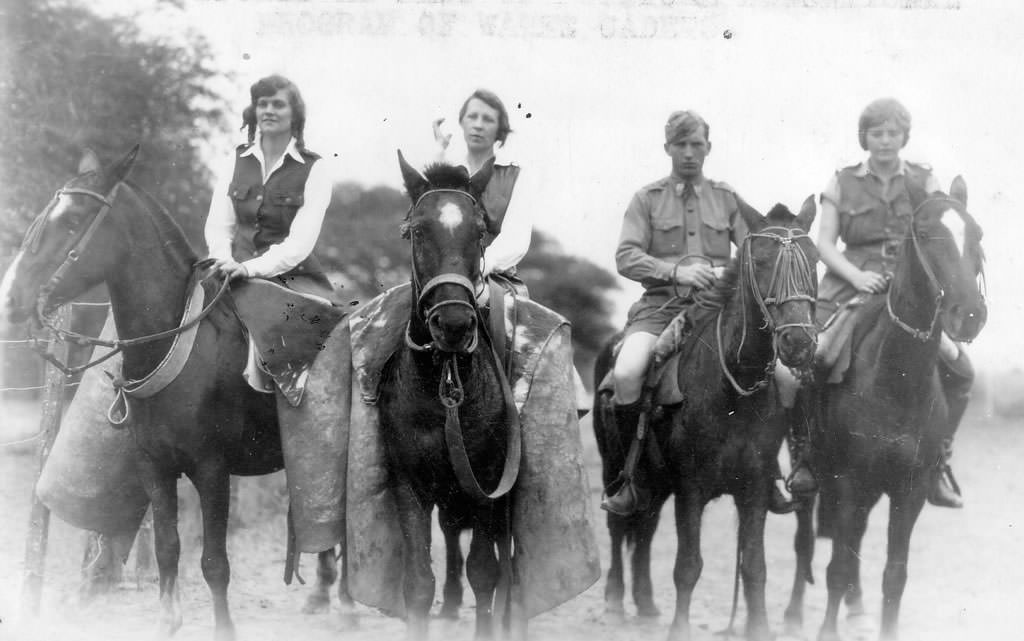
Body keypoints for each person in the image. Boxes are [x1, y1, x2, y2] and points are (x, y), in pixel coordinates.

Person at [603, 110, 792, 516]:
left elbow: (755, 253)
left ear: (709, 148)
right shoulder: (647, 199)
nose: (689, 153)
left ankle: (769, 470)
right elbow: (626, 255)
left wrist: (726, 272)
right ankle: (629, 476)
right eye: (680, 145)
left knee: (785, 377)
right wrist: (675, 271)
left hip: (721, 312)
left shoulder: (726, 198)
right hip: (660, 307)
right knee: (626, 372)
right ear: (667, 148)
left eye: (697, 145)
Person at [811, 97, 972, 508]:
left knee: (960, 368)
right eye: (876, 132)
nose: (884, 141)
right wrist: (858, 276)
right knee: (814, 362)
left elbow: (939, 231)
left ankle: (937, 464)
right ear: (864, 137)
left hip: (909, 295)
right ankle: (809, 459)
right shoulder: (842, 181)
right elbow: (825, 243)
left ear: (904, 137)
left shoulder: (924, 179)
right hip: (852, 287)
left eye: (892, 133)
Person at [204, 74, 336, 392]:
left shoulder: (314, 169)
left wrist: (249, 269)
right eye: (262, 104)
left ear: (295, 114)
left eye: (278, 104)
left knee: (308, 345)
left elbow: (299, 244)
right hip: (229, 270)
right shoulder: (235, 160)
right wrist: (224, 262)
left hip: (291, 278)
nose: (269, 110)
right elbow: (219, 226)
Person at [431, 88, 533, 298]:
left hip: (494, 280)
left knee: (512, 323)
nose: (478, 124)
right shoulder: (448, 169)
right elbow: (427, 217)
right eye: (472, 116)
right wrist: (439, 152)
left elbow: (516, 237)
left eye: (487, 119)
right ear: (462, 122)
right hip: (442, 274)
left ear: (499, 130)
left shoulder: (514, 175)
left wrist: (480, 267)